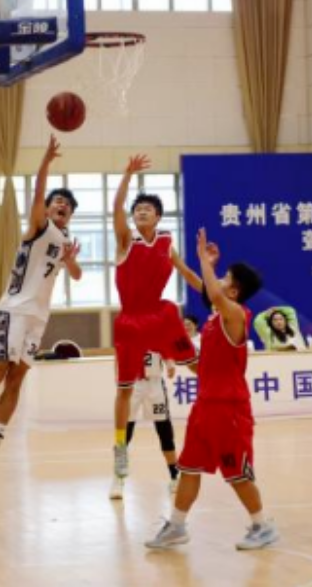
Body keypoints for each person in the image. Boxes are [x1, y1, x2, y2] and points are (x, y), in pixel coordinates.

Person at [145, 228, 279, 551]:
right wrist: (174, 258)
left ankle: (262, 525)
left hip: (229, 409)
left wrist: (205, 259)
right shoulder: (215, 316)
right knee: (189, 468)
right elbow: (200, 284)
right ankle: (177, 526)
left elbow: (213, 292)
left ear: (234, 291)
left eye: (224, 277)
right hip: (204, 406)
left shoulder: (236, 315)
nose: (216, 280)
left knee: (237, 475)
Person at [0, 135, 82, 471]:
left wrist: (71, 261)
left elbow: (76, 275)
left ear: (71, 214)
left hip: (38, 318)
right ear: (47, 208)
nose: (61, 205)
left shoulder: (65, 241)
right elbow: (38, 195)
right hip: (13, 310)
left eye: (67, 204)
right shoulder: (39, 227)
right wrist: (45, 162)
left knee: (16, 380)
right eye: (56, 201)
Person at [112, 155, 202, 482]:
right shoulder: (126, 239)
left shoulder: (166, 242)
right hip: (131, 322)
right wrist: (127, 175)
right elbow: (116, 208)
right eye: (138, 209)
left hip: (159, 316)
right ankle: (120, 448)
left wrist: (213, 295)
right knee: (124, 390)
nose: (141, 211)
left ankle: (222, 397)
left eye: (147, 208)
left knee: (195, 363)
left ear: (158, 215)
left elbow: (187, 273)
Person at [109, 351, 179, 500]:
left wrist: (170, 363)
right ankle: (118, 479)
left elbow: (166, 348)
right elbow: (119, 354)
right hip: (132, 383)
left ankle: (175, 476)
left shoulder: (159, 335)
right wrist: (118, 377)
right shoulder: (128, 335)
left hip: (155, 383)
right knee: (125, 433)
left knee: (165, 432)